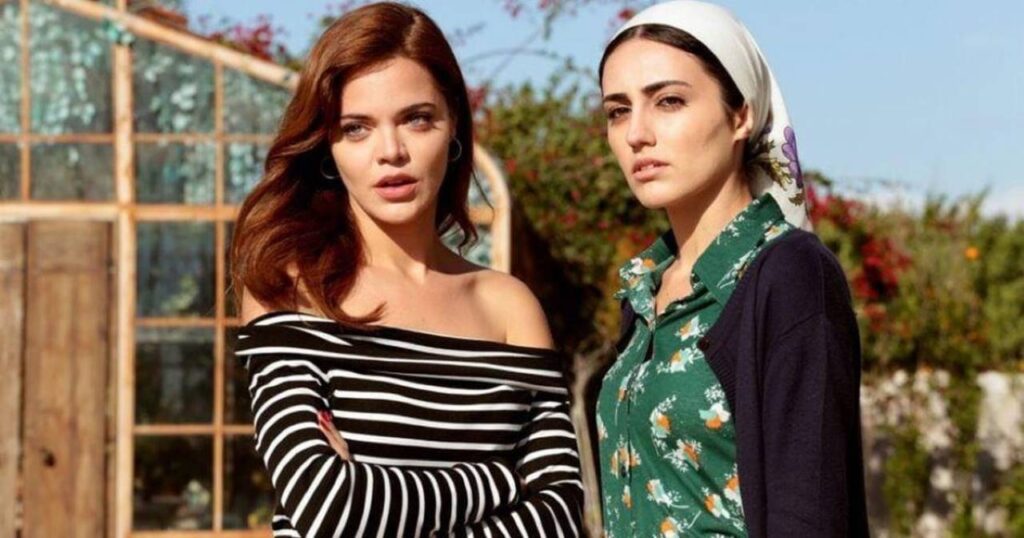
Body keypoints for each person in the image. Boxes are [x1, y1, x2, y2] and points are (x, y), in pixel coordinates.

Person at [230, 3, 582, 536]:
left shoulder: (509, 307)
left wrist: (378, 498)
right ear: (327, 146)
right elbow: (329, 506)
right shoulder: (290, 289)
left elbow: (559, 517)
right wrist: (499, 482)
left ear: (453, 124)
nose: (390, 152)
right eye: (356, 128)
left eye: (417, 119)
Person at [594, 1, 868, 536]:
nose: (636, 134)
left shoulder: (789, 275)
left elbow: (809, 514)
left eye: (668, 101)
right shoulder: (645, 293)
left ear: (741, 115)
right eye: (618, 111)